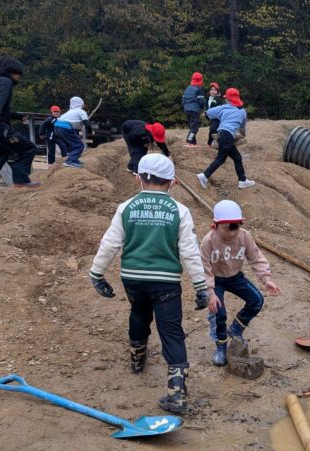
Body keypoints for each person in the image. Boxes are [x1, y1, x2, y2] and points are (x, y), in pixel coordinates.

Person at [88, 154, 209, 414]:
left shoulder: (126, 207)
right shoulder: (180, 211)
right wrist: (201, 286)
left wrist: (96, 274)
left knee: (139, 315)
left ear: (138, 179)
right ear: (173, 183)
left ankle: (137, 360)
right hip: (166, 284)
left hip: (133, 279)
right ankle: (176, 393)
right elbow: (189, 251)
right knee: (171, 330)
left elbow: (110, 243)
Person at [201, 200, 281, 366]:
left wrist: (266, 279)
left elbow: (256, 257)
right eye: (227, 228)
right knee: (218, 313)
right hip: (216, 280)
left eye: (235, 227)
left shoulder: (244, 236)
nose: (232, 233)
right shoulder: (208, 241)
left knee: (257, 300)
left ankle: (236, 328)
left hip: (235, 276)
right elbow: (204, 268)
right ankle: (221, 346)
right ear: (215, 225)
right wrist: (210, 293)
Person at [0, 56, 39, 206]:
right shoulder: (6, 82)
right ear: (12, 71)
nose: (19, 77)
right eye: (19, 74)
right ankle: (21, 179)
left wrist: (16, 115)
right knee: (28, 148)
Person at [196, 88, 254, 190]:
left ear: (229, 99)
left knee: (237, 157)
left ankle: (242, 180)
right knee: (221, 158)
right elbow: (242, 129)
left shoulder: (223, 108)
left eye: (227, 98)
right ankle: (204, 176)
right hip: (228, 136)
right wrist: (243, 136)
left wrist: (212, 118)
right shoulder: (243, 112)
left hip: (222, 134)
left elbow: (208, 112)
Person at [54, 96, 93, 167]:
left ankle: (74, 159)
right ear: (81, 104)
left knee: (73, 145)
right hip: (65, 127)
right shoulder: (81, 111)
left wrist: (77, 133)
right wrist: (91, 131)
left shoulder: (69, 112)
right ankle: (70, 161)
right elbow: (86, 123)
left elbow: (73, 125)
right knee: (79, 146)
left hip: (57, 127)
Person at [182, 72, 205, 147]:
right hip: (194, 110)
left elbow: (183, 99)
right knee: (195, 127)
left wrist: (185, 107)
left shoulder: (187, 88)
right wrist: (202, 108)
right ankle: (188, 141)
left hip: (186, 109)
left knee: (191, 126)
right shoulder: (199, 89)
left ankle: (193, 143)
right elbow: (201, 101)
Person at [206, 82, 221, 147]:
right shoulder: (209, 99)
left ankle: (210, 143)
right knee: (213, 129)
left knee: (213, 129)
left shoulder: (218, 99)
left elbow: (219, 109)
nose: (213, 91)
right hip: (211, 118)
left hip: (216, 117)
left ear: (217, 91)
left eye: (215, 90)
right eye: (211, 89)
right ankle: (212, 143)